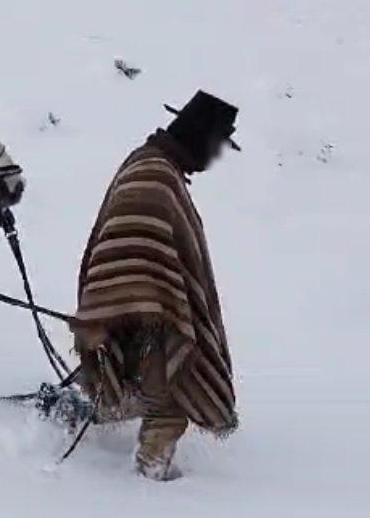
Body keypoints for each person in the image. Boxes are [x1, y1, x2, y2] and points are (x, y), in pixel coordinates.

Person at [69, 90, 240, 481]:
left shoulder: (151, 164)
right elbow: (134, 246)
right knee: (172, 390)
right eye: (216, 146)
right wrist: (150, 306)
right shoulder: (156, 174)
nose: (215, 158)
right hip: (147, 318)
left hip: (136, 310)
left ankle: (80, 409)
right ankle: (151, 475)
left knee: (139, 386)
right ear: (199, 136)